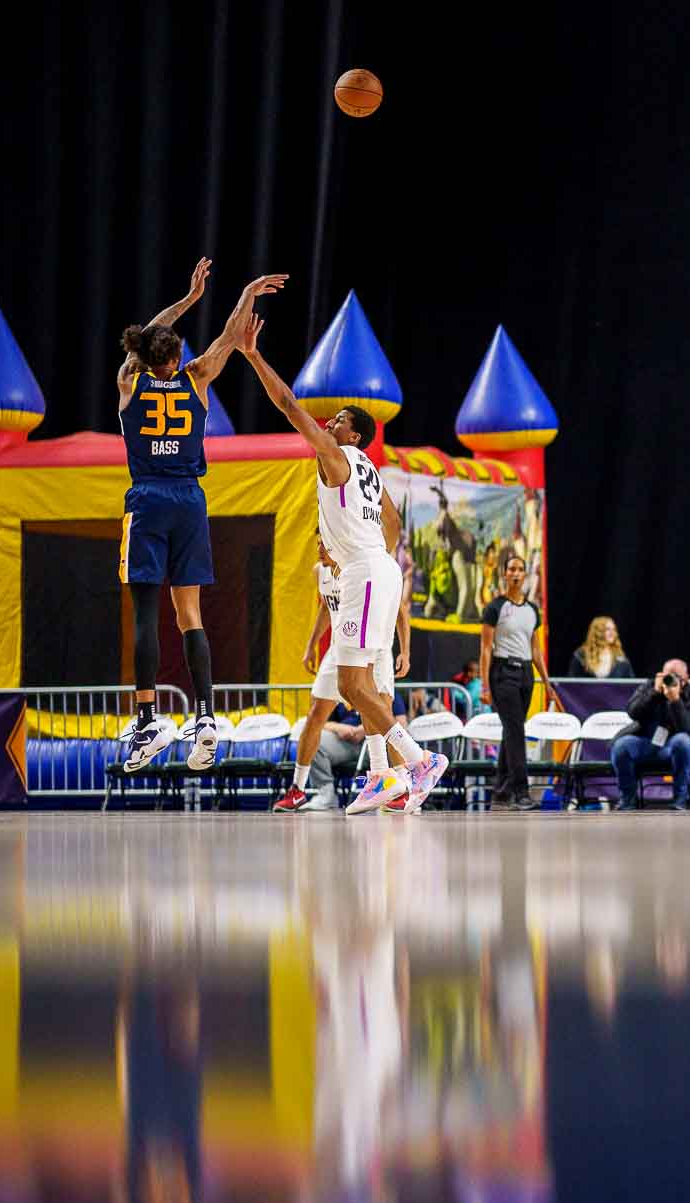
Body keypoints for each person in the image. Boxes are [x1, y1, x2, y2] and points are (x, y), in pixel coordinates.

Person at [234, 303, 447, 814]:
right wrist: (360, 542)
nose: (329, 421)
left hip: (366, 574)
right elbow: (393, 522)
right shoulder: (368, 469)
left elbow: (287, 404)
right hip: (377, 568)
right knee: (362, 683)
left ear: (353, 436)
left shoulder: (337, 456)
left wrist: (253, 354)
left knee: (353, 684)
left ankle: (418, 761)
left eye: (340, 420)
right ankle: (385, 775)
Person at [117, 263, 285, 774]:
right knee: (191, 615)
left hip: (147, 499)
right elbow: (233, 337)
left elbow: (145, 337)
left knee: (147, 614)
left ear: (144, 358)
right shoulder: (198, 378)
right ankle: (206, 717)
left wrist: (188, 298)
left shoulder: (129, 382)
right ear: (177, 357)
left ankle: (147, 720)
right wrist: (245, 293)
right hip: (190, 500)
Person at [274, 534, 412, 812]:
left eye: (324, 543)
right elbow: (327, 606)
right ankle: (297, 788)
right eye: (317, 543)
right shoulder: (320, 571)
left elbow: (400, 612)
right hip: (340, 647)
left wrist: (405, 651)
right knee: (315, 715)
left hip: (374, 647)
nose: (319, 549)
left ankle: (404, 785)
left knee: (379, 712)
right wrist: (311, 645)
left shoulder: (363, 569)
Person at [480, 553, 546, 810]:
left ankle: (500, 792)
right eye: (512, 569)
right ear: (505, 574)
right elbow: (485, 649)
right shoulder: (495, 607)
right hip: (503, 670)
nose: (516, 574)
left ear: (525, 575)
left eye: (521, 569)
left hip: (526, 671)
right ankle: (522, 791)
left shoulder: (532, 610)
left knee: (512, 730)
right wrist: (485, 686)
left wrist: (547, 683)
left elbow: (536, 649)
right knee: (516, 730)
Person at [613, 658, 690, 810]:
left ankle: (680, 800)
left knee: (683, 741)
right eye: (667, 675)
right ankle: (628, 800)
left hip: (672, 746)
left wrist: (675, 701)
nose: (670, 679)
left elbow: (687, 729)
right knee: (622, 746)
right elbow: (633, 712)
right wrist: (654, 693)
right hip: (646, 742)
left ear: (686, 680)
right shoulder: (649, 687)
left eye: (676, 676)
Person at [569, 615, 634, 678]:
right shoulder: (581, 655)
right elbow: (572, 683)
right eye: (607, 629)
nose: (612, 633)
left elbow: (631, 684)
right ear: (598, 632)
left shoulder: (620, 658)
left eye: (614, 629)